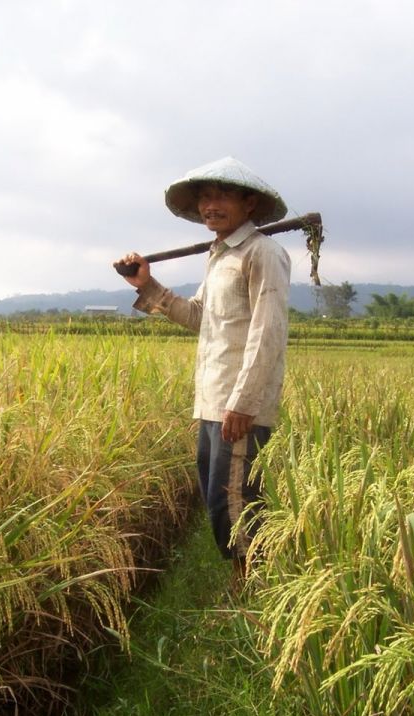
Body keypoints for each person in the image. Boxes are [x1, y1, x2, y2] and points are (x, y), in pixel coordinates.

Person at [116, 156, 291, 591]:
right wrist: (146, 286)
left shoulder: (263, 253)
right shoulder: (220, 257)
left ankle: (255, 591)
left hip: (238, 404)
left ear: (249, 203)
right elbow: (201, 318)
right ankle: (249, 581)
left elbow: (267, 332)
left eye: (222, 195)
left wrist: (244, 403)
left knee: (235, 500)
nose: (210, 205)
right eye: (205, 197)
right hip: (214, 399)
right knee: (218, 498)